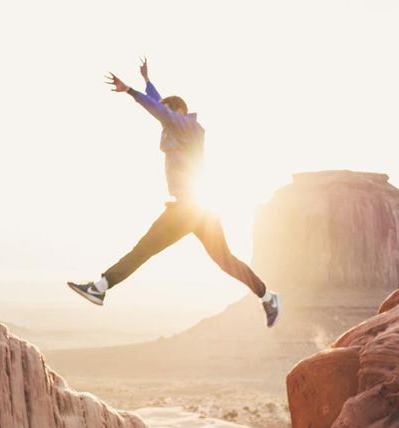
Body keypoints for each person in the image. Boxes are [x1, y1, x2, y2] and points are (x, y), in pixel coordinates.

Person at [68, 58, 280, 327]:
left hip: (189, 208)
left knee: (144, 249)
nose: (161, 119)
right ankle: (267, 296)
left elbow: (160, 110)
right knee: (224, 260)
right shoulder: (180, 126)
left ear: (179, 110)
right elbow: (160, 105)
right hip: (198, 209)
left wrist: (131, 91)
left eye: (166, 112)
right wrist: (148, 82)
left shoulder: (185, 125)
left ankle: (100, 287)